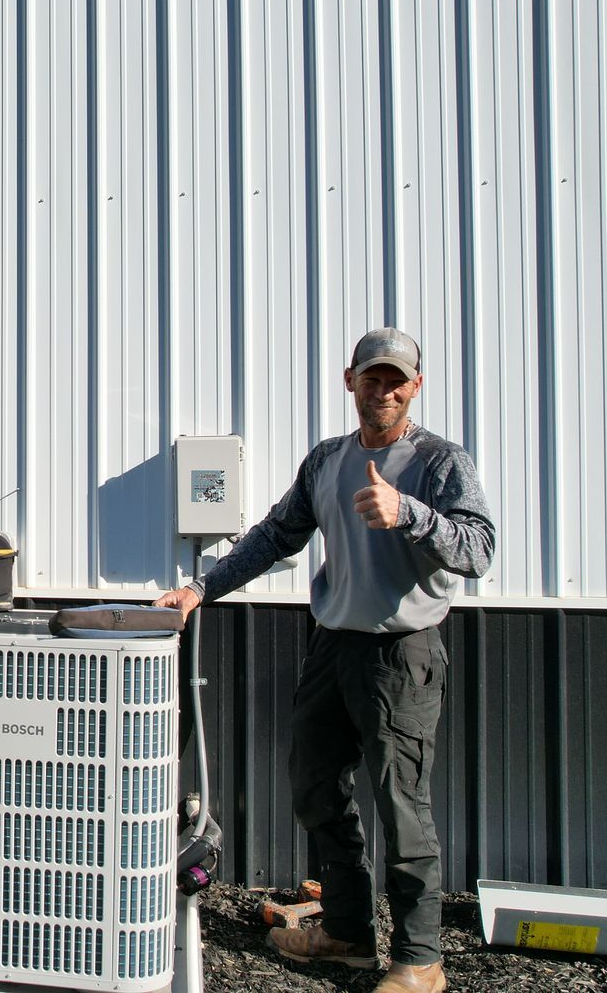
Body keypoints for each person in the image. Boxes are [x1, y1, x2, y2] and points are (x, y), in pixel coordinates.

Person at [154, 327, 494, 993]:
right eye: (373, 378)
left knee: (402, 804)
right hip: (333, 645)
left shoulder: (440, 462)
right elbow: (277, 536)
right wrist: (200, 588)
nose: (385, 390)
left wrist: (410, 514)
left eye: (398, 380)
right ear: (351, 382)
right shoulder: (327, 462)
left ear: (416, 386)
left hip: (402, 652)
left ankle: (420, 960)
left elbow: (478, 549)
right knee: (314, 787)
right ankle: (346, 930)